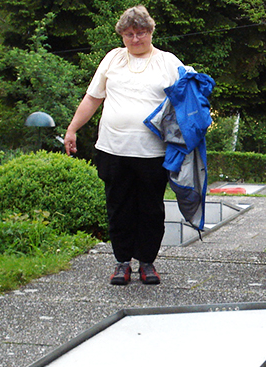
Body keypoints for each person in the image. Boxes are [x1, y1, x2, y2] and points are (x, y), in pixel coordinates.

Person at [64, 5, 182, 286]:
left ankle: (147, 262)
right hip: (113, 147)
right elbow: (92, 98)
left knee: (151, 208)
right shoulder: (112, 59)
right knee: (118, 206)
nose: (135, 39)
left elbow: (189, 97)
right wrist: (72, 129)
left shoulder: (167, 61)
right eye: (129, 34)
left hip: (152, 151)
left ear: (150, 31)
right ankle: (121, 262)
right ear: (121, 35)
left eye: (140, 33)